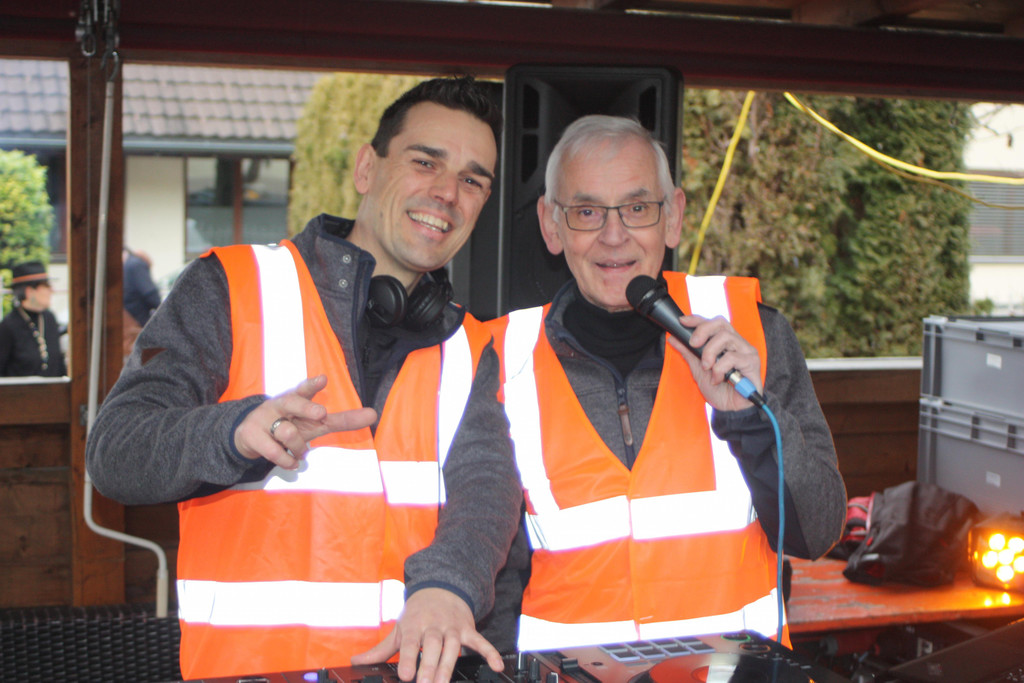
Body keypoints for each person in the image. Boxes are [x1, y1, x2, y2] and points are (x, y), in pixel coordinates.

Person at [86, 76, 521, 683]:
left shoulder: (472, 346)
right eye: (425, 162)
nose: (448, 192)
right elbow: (114, 453)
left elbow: (486, 494)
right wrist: (232, 433)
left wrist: (450, 586)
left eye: (473, 180)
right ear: (366, 168)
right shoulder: (231, 286)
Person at [486, 115, 847, 652]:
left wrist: (750, 416)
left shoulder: (755, 334)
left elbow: (817, 532)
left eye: (637, 209)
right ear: (551, 225)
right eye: (587, 212)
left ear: (673, 218)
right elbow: (494, 583)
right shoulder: (499, 360)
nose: (614, 235)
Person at [1, 261, 66, 377]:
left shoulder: (49, 319)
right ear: (29, 291)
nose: (51, 291)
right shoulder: (8, 326)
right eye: (46, 286)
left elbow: (58, 364)